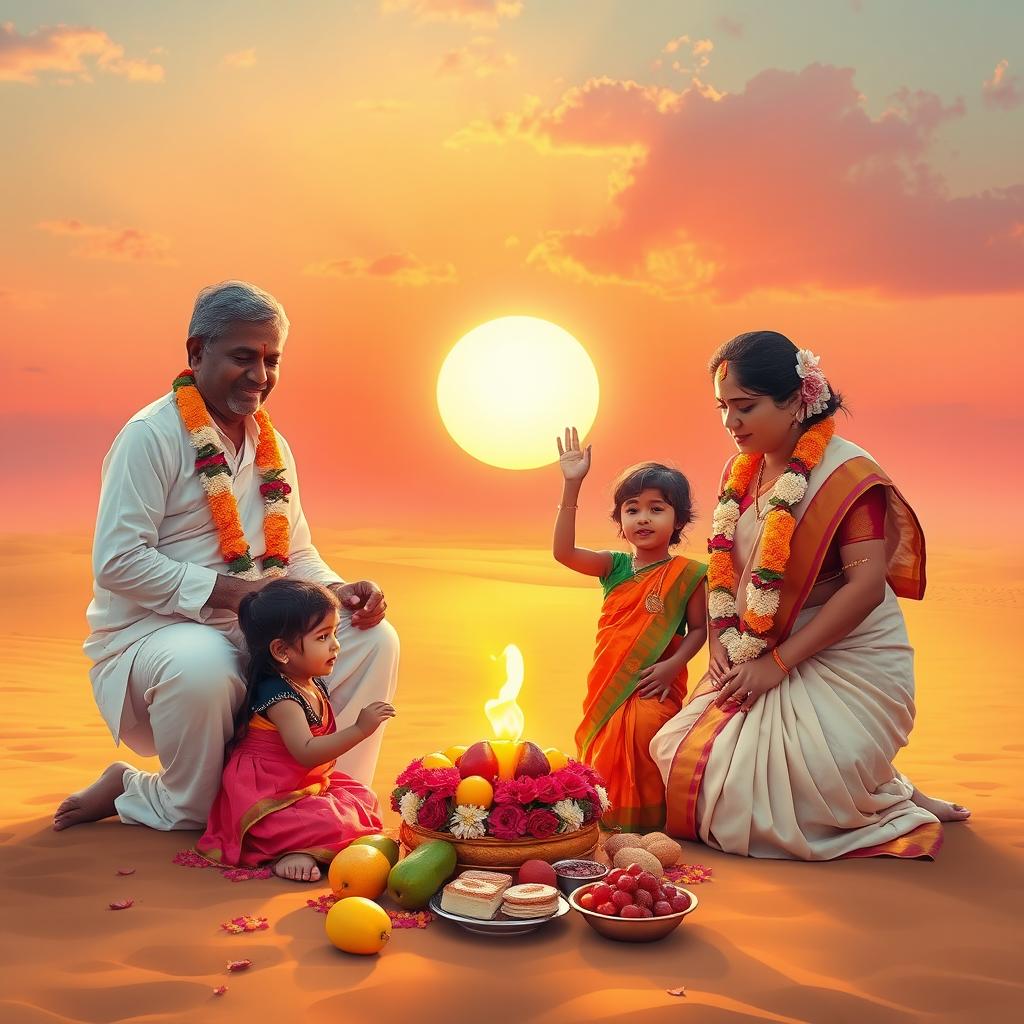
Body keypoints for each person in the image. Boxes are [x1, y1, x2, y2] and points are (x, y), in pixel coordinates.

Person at [54, 281, 399, 833]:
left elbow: (295, 555)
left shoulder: (272, 445)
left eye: (272, 360)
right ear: (196, 353)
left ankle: (331, 804)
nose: (260, 376)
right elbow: (118, 561)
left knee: (371, 637)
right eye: (243, 357)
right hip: (154, 635)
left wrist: (336, 592)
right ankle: (143, 789)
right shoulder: (150, 436)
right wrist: (238, 594)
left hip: (258, 627)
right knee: (204, 671)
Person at [651, 331, 969, 860]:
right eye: (722, 407)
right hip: (760, 642)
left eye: (746, 406)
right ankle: (876, 783)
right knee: (673, 751)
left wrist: (775, 663)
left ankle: (888, 792)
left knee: (771, 791)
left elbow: (866, 588)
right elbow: (727, 568)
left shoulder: (846, 475)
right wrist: (721, 645)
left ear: (798, 398)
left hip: (846, 652)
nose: (732, 422)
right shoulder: (740, 470)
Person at [553, 427, 707, 833]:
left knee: (646, 730)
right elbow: (563, 553)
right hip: (609, 684)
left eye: (657, 509)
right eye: (632, 509)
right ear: (620, 521)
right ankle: (605, 824)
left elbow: (697, 630)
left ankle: (651, 828)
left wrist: (673, 665)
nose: (643, 518)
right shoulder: (615, 566)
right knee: (607, 742)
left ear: (678, 520)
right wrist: (572, 485)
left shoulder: (688, 574)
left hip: (655, 682)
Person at [197, 580, 395, 881]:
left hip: (306, 786)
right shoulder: (283, 697)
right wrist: (359, 729)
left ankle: (310, 842)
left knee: (363, 797)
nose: (336, 645)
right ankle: (292, 852)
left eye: (335, 634)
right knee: (329, 822)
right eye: (323, 637)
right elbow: (305, 752)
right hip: (268, 798)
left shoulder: (306, 680)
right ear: (282, 650)